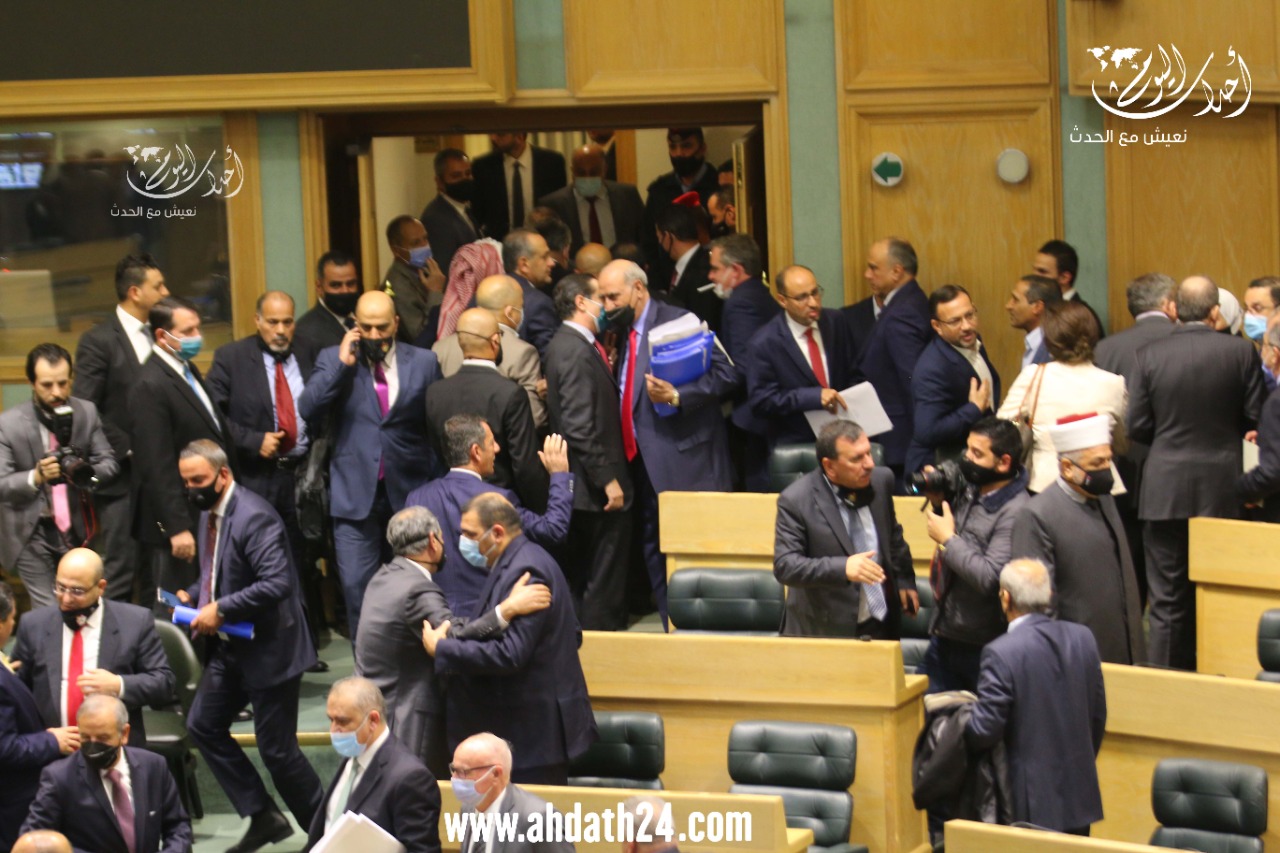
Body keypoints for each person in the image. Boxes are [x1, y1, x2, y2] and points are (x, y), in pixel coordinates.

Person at [175, 440, 323, 852]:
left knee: (278, 752)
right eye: (186, 482)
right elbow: (217, 572)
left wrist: (220, 608)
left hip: (271, 648)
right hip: (231, 647)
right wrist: (194, 595)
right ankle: (262, 815)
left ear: (223, 474)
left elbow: (277, 583)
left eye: (199, 480)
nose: (192, 490)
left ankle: (326, 833)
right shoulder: (210, 512)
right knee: (203, 725)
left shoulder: (255, 516)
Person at [1129, 275, 1265, 670]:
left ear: (1174, 309)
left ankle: (1165, 687)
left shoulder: (1149, 354)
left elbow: (1137, 425)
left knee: (1166, 601)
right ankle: (1220, 677)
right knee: (1221, 592)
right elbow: (1254, 417)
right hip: (1223, 488)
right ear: (1215, 311)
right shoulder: (1241, 353)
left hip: (1164, 489)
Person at [354, 506, 550, 776]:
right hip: (407, 718)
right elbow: (453, 632)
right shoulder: (417, 588)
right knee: (416, 792)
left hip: (376, 709)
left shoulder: (384, 576)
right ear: (433, 541)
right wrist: (506, 610)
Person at [298, 290, 443, 638]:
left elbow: (434, 426)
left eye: (382, 327)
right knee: (357, 590)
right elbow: (308, 408)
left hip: (409, 494)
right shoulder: (333, 358)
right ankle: (367, 666)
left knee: (414, 588)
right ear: (355, 326)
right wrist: (341, 365)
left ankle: (410, 661)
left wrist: (436, 488)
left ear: (396, 323)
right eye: (366, 327)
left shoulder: (424, 362)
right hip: (354, 498)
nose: (374, 336)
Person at [423, 493, 596, 784]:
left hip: (534, 735)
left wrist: (444, 650)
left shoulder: (527, 572)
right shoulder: (516, 560)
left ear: (497, 532)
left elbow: (511, 653)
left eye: (470, 534)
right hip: (526, 729)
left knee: (534, 813)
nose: (463, 541)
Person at [598, 259, 735, 625]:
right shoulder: (619, 332)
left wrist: (678, 396)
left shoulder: (679, 321)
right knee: (653, 544)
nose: (607, 306)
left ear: (637, 289)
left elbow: (728, 374)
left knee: (697, 548)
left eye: (613, 297)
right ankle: (671, 625)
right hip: (639, 461)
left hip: (686, 459)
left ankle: (705, 629)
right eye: (603, 298)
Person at [206, 291, 325, 666]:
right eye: (272, 322)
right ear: (257, 321)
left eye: (287, 321)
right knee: (257, 566)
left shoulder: (310, 351)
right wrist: (251, 440)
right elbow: (212, 416)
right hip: (256, 478)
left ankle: (303, 649)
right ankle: (258, 650)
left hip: (303, 477)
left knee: (301, 564)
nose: (281, 330)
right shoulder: (231, 358)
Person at [966, 559, 1106, 835]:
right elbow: (1098, 717)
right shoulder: (1083, 638)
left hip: (1029, 803)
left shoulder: (1001, 652)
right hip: (1079, 796)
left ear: (1005, 597)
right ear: (1049, 595)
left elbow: (984, 730)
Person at [1010, 414, 1145, 664]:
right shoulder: (1037, 516)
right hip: (1073, 659)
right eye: (1097, 463)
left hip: (1120, 649)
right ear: (1067, 468)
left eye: (1108, 460)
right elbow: (1037, 607)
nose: (1106, 469)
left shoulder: (1104, 499)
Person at [405, 416, 572, 620]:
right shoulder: (497, 500)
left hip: (433, 619)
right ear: (476, 451)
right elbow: (553, 530)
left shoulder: (416, 498)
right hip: (488, 619)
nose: (497, 449)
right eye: (492, 442)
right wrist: (560, 476)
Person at [74, 254, 169, 601]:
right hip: (121, 479)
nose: (165, 292)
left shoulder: (162, 335)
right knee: (120, 570)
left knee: (157, 571)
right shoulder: (98, 341)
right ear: (135, 292)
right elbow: (85, 407)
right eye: (158, 286)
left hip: (160, 475)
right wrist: (127, 446)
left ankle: (152, 633)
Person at [128, 296, 233, 606]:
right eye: (188, 331)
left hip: (202, 511)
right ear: (162, 335)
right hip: (177, 525)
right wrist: (176, 528)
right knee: (177, 609)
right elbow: (155, 464)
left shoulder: (186, 370)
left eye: (198, 328)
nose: (197, 336)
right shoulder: (149, 384)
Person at [543, 274, 633, 630]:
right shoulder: (574, 349)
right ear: (581, 302)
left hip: (583, 483)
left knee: (590, 575)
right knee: (601, 579)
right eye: (601, 299)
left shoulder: (572, 344)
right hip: (593, 486)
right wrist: (608, 480)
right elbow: (579, 426)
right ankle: (602, 650)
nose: (607, 307)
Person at [12, 548, 173, 744]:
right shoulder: (33, 624)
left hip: (114, 748)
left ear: (101, 587)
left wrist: (118, 685)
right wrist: (45, 741)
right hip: (52, 749)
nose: (66, 598)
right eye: (60, 587)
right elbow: (17, 690)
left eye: (77, 591)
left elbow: (163, 683)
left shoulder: (135, 622)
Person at [773, 421, 917, 639]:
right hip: (823, 630)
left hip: (879, 624)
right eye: (856, 459)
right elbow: (786, 566)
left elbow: (892, 536)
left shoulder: (881, 480)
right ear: (830, 466)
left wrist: (905, 578)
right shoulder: (796, 500)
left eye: (868, 453)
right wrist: (843, 567)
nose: (869, 464)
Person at [0, 344, 117, 608]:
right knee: (49, 609)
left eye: (63, 383)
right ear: (31, 382)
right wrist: (36, 476)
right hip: (30, 530)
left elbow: (109, 462)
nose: (57, 392)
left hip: (77, 526)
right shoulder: (8, 424)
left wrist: (85, 474)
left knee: (82, 602)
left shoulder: (86, 412)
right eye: (47, 385)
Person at [919, 418, 1030, 693]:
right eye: (967, 449)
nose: (966, 459)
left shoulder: (1016, 511)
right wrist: (938, 503)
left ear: (1003, 462)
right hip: (945, 631)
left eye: (977, 454)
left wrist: (948, 539)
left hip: (983, 644)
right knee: (927, 714)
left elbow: (990, 578)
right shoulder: (970, 488)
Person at [1093, 272, 1178, 602]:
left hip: (1122, 464)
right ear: (1168, 303)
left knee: (1127, 563)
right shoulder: (1183, 341)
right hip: (1172, 470)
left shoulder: (1106, 348)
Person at [21, 694, 192, 853]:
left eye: (103, 738)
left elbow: (178, 827)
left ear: (124, 734)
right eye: (85, 737)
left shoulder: (153, 766)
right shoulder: (59, 777)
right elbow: (32, 839)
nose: (93, 746)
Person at [996, 301, 1127, 493]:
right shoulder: (1114, 383)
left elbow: (1002, 424)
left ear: (1050, 339)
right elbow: (1121, 441)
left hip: (1046, 481)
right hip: (1098, 481)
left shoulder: (1034, 375)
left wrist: (1025, 422)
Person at [426, 308, 546, 512]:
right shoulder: (510, 393)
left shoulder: (435, 392)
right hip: (499, 506)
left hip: (450, 504)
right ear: (495, 341)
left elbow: (437, 452)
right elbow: (525, 465)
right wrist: (539, 510)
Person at [304, 678, 442, 853]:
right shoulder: (352, 755)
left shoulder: (410, 778)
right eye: (331, 719)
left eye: (342, 721)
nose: (333, 729)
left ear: (373, 720)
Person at [0, 581, 77, 850]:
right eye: (12, 618)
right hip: (10, 801)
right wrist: (52, 740)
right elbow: (4, 748)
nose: (13, 624)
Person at [747, 265, 857, 449]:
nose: (813, 303)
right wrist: (813, 397)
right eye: (802, 297)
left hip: (843, 438)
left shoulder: (836, 321)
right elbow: (761, 401)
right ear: (782, 300)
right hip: (797, 443)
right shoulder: (764, 343)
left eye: (815, 293)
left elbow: (853, 371)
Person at [857, 237, 933, 484]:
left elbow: (912, 380)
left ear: (897, 271)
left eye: (873, 268)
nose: (867, 275)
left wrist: (920, 446)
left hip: (899, 441)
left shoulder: (903, 312)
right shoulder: (909, 301)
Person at [710, 232, 781, 491]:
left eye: (715, 269)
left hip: (752, 416)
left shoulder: (741, 303)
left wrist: (701, 394)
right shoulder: (759, 294)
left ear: (736, 270)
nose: (711, 276)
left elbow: (742, 366)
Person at [905, 285, 1000, 476]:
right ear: (937, 326)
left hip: (971, 461)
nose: (966, 326)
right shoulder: (932, 369)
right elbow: (927, 431)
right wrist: (974, 409)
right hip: (939, 469)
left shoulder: (973, 341)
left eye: (969, 315)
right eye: (955, 321)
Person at [433, 275, 545, 428]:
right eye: (521, 307)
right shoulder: (523, 353)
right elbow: (534, 418)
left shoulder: (440, 348)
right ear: (510, 313)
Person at [448, 733, 574, 853]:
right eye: (453, 770)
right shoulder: (468, 809)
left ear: (496, 774)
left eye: (463, 772)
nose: (454, 778)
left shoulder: (539, 819)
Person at [641, 128, 720, 292]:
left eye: (686, 146)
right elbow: (649, 244)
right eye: (673, 147)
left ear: (702, 148)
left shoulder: (718, 186)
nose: (678, 154)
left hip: (712, 278)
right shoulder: (659, 191)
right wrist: (658, 288)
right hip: (668, 281)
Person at [537, 143, 644, 255]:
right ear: (572, 172)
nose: (587, 177)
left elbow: (643, 237)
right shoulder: (553, 204)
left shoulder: (627, 196)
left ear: (604, 170)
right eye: (581, 172)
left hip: (620, 263)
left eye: (593, 172)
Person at [471, 132, 568, 242]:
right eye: (491, 133)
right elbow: (479, 211)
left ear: (519, 136)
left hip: (543, 240)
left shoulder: (552, 162)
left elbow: (559, 205)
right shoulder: (483, 165)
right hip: (499, 242)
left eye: (500, 134)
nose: (493, 138)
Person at [382, 215, 447, 345]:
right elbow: (420, 337)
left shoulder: (424, 269)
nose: (424, 246)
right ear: (396, 250)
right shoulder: (397, 285)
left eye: (425, 238)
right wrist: (435, 292)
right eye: (415, 243)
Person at [419, 148, 481, 278]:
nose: (465, 180)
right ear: (439, 182)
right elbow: (445, 273)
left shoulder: (465, 208)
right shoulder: (436, 219)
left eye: (468, 174)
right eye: (456, 176)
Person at [657, 202, 720, 331]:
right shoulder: (699, 263)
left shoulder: (704, 271)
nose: (660, 243)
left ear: (668, 237)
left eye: (659, 238)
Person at [1240, 323, 1280, 521]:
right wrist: (1267, 436)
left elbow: (1273, 471)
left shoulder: (1276, 402)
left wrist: (1243, 490)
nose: (1261, 351)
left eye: (1264, 346)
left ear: (1276, 354)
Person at [501, 228, 561, 357]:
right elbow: (550, 357)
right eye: (545, 257)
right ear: (524, 264)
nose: (552, 263)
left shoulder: (480, 295)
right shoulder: (539, 303)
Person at [295, 251, 361, 355]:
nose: (345, 291)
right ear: (319, 287)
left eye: (350, 284)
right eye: (336, 285)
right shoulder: (305, 332)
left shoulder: (365, 320)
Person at [1033, 239, 1104, 336]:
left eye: (1042, 272)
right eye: (1034, 270)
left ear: (1064, 278)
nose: (1034, 277)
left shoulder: (1080, 316)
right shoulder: (1047, 309)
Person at [1005, 274, 1060, 370]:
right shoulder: (1035, 345)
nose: (1008, 306)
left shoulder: (1053, 351)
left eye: (1015, 300)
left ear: (1037, 307)